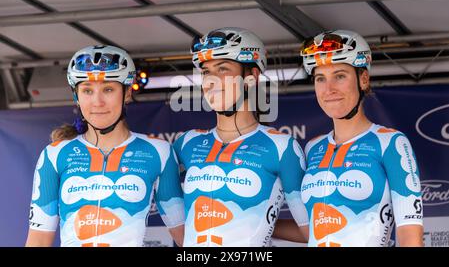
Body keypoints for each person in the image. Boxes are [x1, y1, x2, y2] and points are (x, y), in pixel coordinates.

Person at [26, 45, 184, 247]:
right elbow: (38, 240)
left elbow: (184, 235)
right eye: (87, 91)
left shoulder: (158, 152)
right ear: (76, 96)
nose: (97, 101)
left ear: (127, 92)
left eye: (108, 89)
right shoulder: (55, 154)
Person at [173, 27, 309, 247]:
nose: (211, 81)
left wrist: (259, 223)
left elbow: (312, 231)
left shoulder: (282, 147)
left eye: (223, 69)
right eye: (206, 72)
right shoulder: (188, 143)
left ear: (251, 77)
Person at [290, 29, 423, 247]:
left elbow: (411, 237)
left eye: (339, 76)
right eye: (320, 78)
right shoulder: (313, 148)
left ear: (363, 79)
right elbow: (309, 231)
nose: (329, 89)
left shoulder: (390, 143)